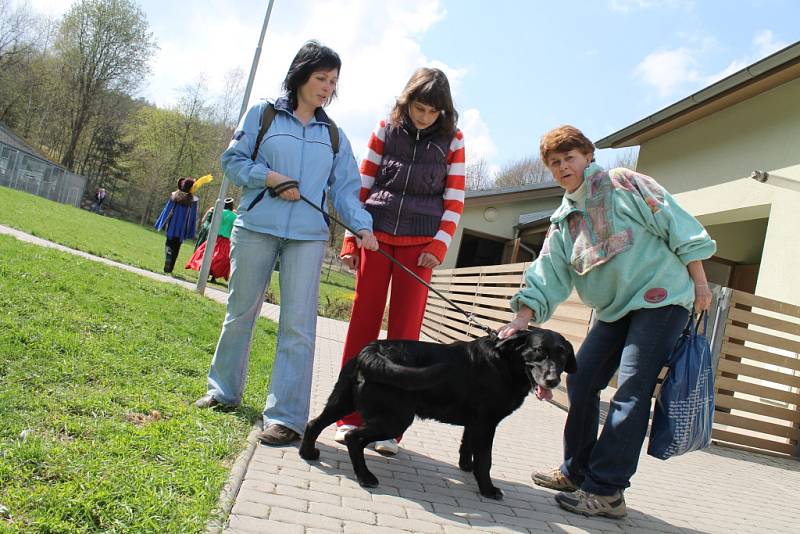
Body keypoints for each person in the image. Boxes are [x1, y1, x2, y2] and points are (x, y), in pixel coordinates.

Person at [497, 125, 715, 519]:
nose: (564, 166)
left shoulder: (623, 183)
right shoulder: (564, 222)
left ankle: (608, 491)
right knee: (581, 378)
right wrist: (523, 318)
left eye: (571, 157)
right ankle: (576, 471)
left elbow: (675, 221)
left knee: (631, 387)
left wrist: (700, 281)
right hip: (615, 309)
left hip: (660, 298)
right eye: (556, 162)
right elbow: (547, 273)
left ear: (588, 156)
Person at [194, 41, 378, 447]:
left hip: (308, 238)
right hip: (257, 225)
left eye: (333, 81)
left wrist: (363, 227)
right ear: (301, 76)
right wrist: (271, 178)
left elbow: (346, 191)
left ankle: (287, 417)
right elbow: (233, 161)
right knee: (240, 312)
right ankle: (223, 391)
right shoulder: (263, 114)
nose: (327, 87)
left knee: (298, 326)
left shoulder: (333, 136)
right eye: (321, 78)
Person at [334, 67, 466, 455]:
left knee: (405, 340)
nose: (424, 117)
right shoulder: (384, 129)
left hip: (420, 247)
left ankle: (390, 429)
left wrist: (439, 246)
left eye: (432, 111)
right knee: (362, 328)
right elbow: (362, 184)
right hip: (374, 238)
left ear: (444, 112)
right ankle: (349, 417)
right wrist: (351, 238)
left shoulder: (453, 141)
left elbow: (455, 199)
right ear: (406, 102)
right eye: (418, 108)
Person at [185, 198, 237, 283]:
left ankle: (205, 271)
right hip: (226, 240)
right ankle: (213, 276)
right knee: (221, 258)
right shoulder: (235, 216)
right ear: (232, 206)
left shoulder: (219, 212)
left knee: (206, 253)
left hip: (214, 238)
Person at [154, 178, 198, 273]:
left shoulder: (175, 196)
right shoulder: (193, 200)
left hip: (172, 224)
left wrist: (161, 222)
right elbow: (193, 216)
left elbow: (167, 209)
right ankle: (170, 268)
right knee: (177, 247)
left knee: (169, 243)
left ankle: (168, 255)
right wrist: (190, 229)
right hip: (182, 227)